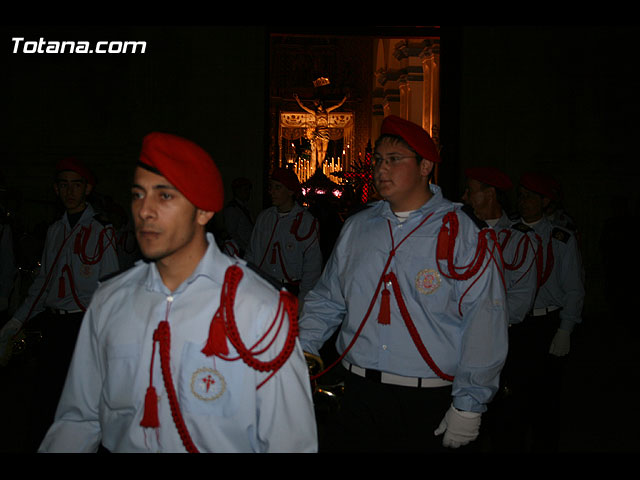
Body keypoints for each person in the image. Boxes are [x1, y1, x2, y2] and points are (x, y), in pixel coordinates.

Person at [38, 132, 317, 453]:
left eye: (165, 196)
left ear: (204, 211)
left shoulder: (259, 308)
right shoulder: (109, 300)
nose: (145, 210)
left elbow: (290, 443)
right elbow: (79, 419)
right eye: (138, 195)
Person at [298, 115, 508, 452]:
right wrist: (304, 349)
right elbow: (328, 299)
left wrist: (469, 403)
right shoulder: (358, 227)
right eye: (379, 160)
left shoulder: (463, 231)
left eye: (395, 160)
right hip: (356, 392)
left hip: (425, 397)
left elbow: (484, 320)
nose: (381, 169)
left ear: (426, 166)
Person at [0, 157, 120, 448]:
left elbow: (111, 285)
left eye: (76, 185)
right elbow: (44, 283)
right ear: (56, 190)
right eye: (63, 185)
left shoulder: (102, 230)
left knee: (86, 400)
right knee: (47, 398)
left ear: (87, 189)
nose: (70, 192)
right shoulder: (55, 230)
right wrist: (16, 321)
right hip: (55, 324)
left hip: (84, 323)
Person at [496, 171, 585, 452]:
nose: (524, 202)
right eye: (521, 196)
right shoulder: (507, 234)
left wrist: (565, 329)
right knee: (512, 397)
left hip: (547, 324)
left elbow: (574, 288)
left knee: (547, 399)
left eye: (531, 197)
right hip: (515, 325)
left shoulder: (561, 239)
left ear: (546, 201)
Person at [462, 166, 537, 325]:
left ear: (489, 194)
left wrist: (483, 320)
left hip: (499, 327)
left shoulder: (518, 239)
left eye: (470, 191)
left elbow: (521, 297)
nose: (464, 197)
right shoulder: (462, 232)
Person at [245, 167, 322, 311]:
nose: (271, 192)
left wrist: (303, 301)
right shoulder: (264, 218)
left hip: (291, 290)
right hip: (264, 288)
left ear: (291, 191)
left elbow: (312, 266)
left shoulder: (306, 222)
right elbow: (252, 253)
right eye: (271, 187)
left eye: (277, 187)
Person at [221, 177, 254, 258]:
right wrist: (244, 248)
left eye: (248, 190)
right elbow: (232, 233)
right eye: (245, 190)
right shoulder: (232, 209)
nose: (248, 193)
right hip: (240, 251)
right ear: (237, 191)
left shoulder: (243, 207)